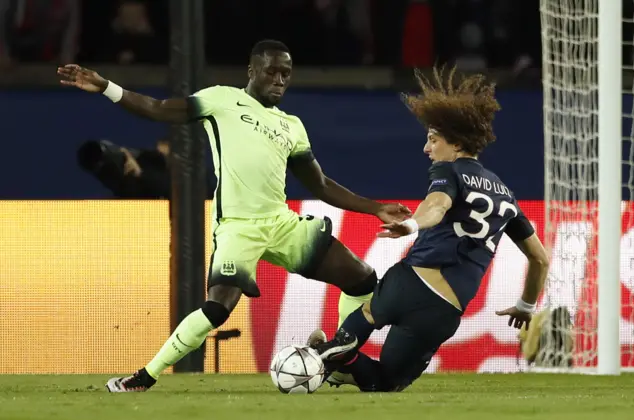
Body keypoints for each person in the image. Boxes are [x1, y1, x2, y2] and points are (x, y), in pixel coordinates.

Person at [57, 39, 411, 392]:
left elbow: (319, 185)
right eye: (271, 71)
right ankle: (144, 376)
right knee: (217, 309)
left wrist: (375, 208)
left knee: (364, 281)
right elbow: (160, 108)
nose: (279, 79)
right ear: (252, 71)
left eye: (285, 73)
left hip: (281, 224)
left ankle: (335, 359)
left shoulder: (292, 126)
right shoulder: (222, 99)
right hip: (238, 228)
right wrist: (106, 86)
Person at [309, 67, 550, 392]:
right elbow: (540, 259)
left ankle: (325, 354)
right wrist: (525, 306)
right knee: (386, 384)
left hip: (409, 283)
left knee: (353, 332)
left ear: (457, 144)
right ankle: (334, 357)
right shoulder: (506, 195)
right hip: (444, 310)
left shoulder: (448, 171)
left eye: (433, 140)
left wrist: (410, 224)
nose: (427, 148)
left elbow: (436, 205)